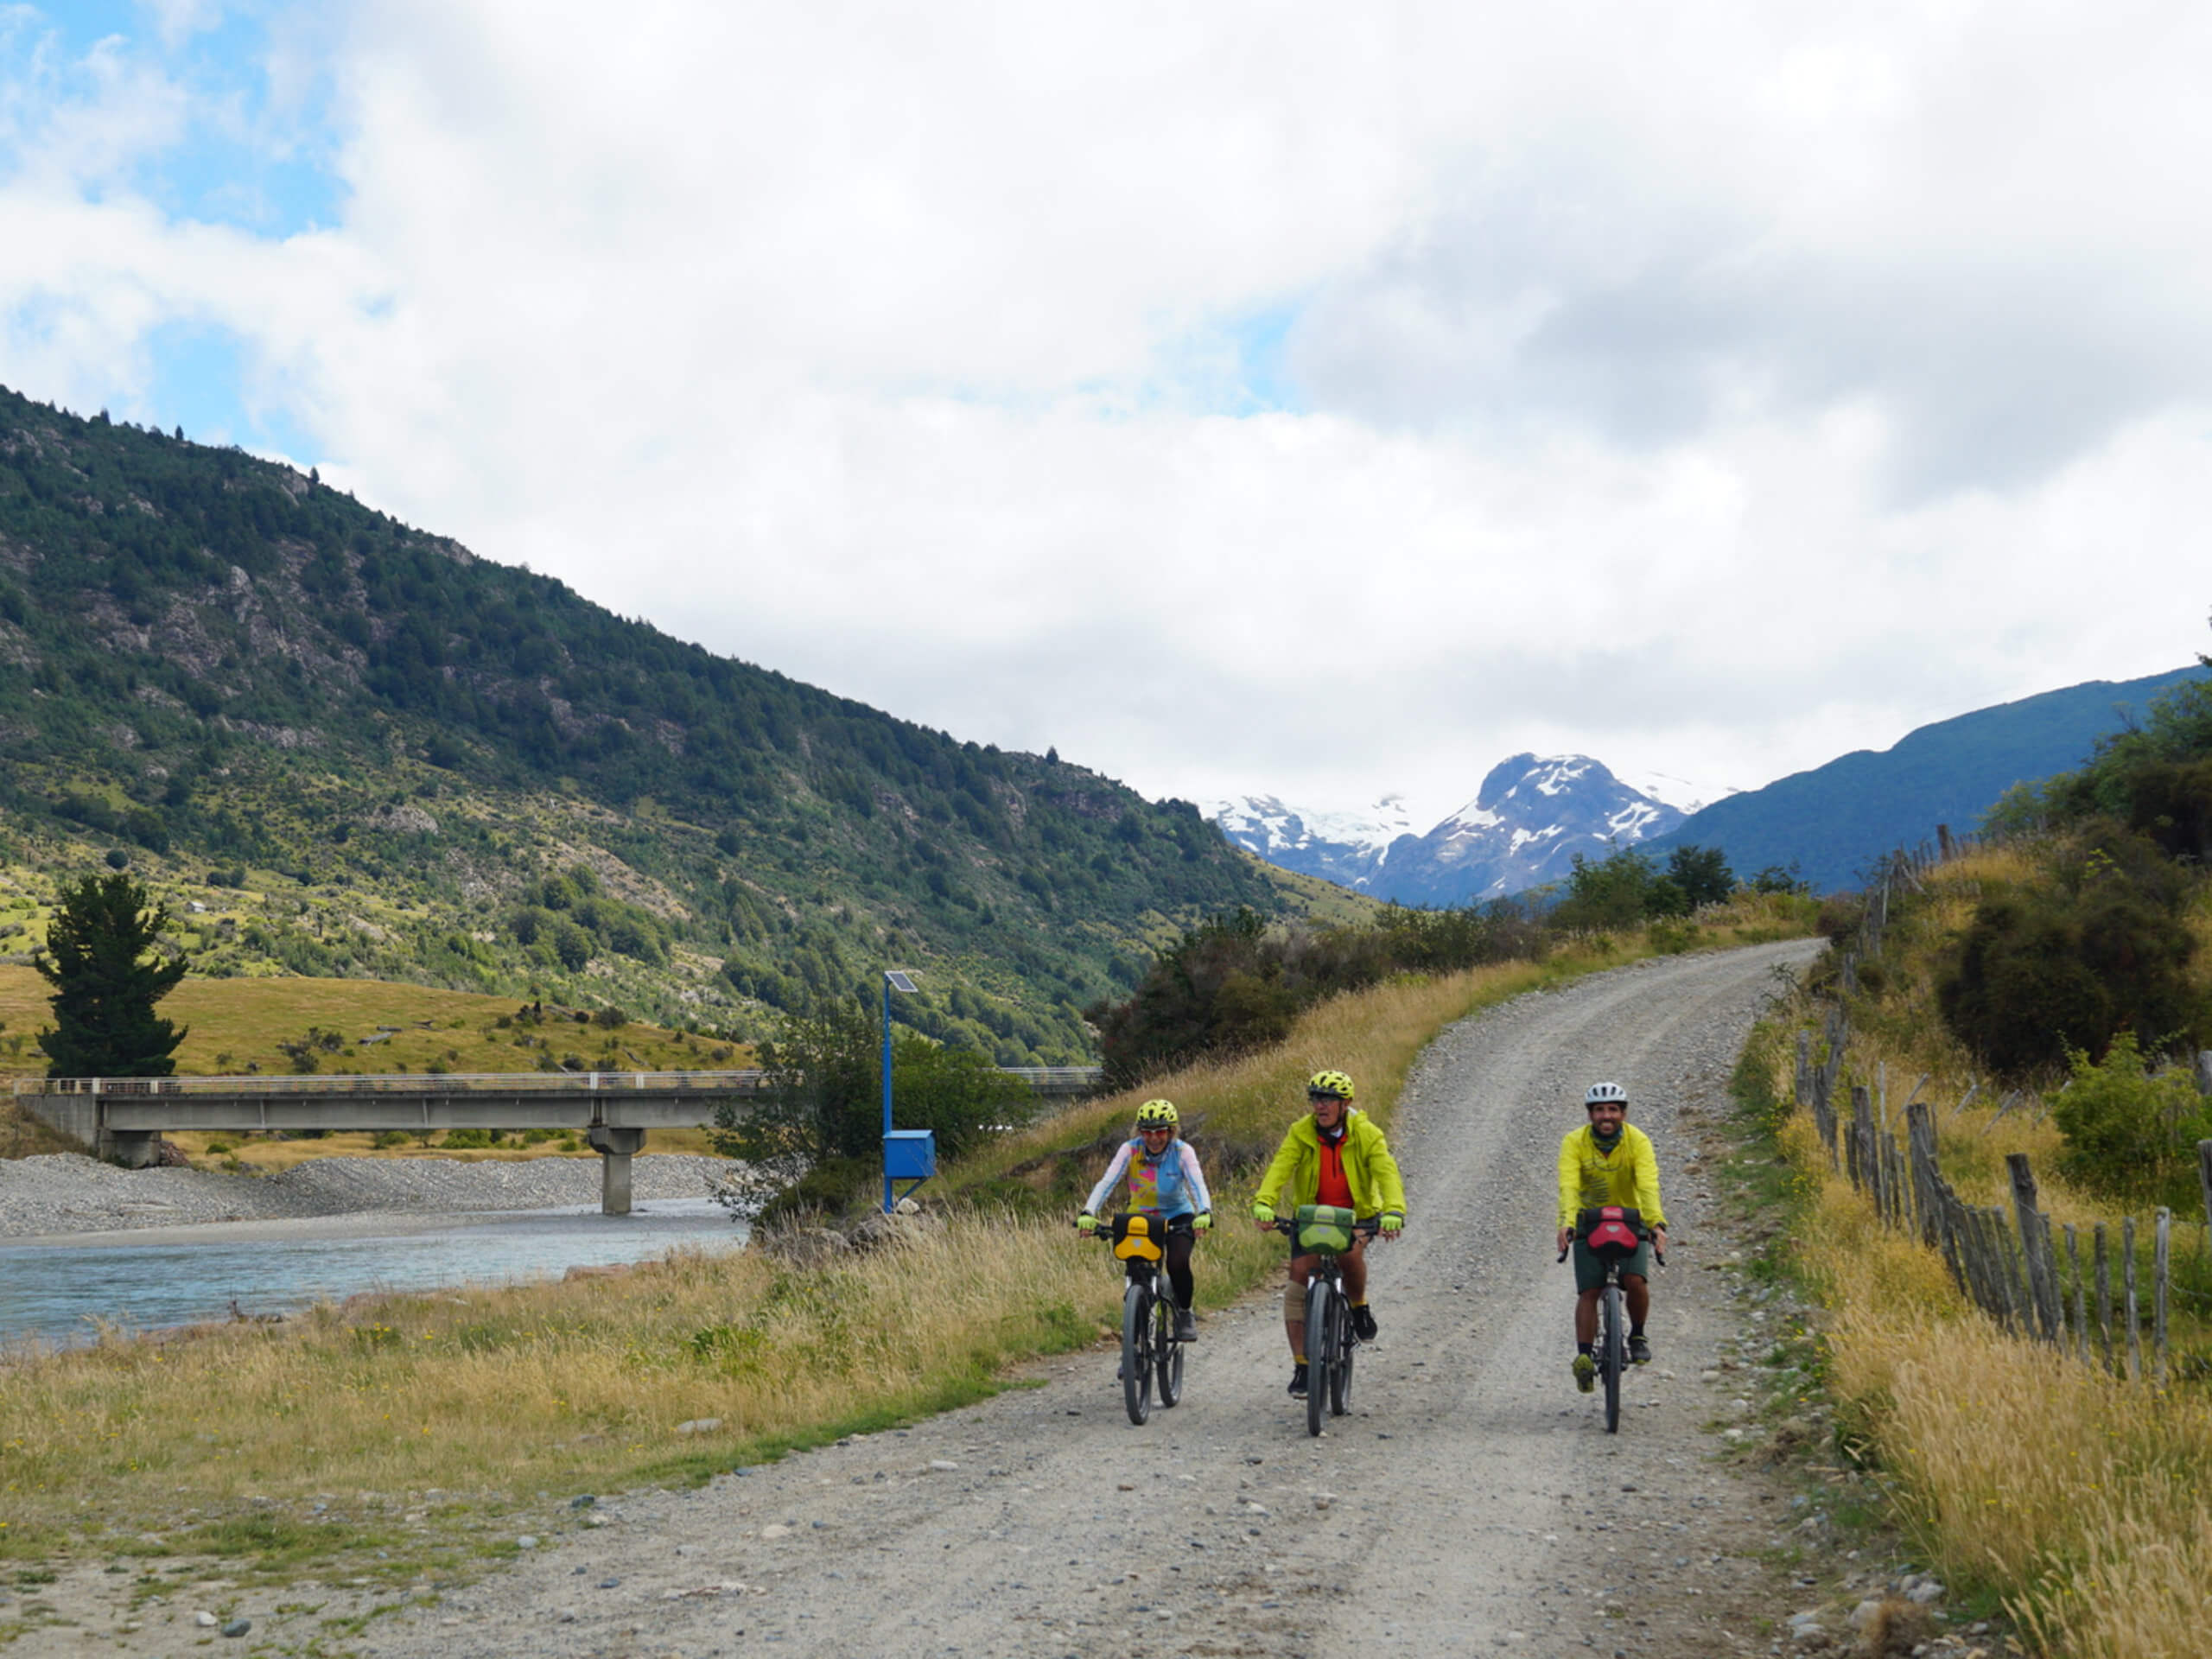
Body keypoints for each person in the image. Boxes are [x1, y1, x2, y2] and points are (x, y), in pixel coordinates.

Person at [1252, 1070, 1407, 1398]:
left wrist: (1394, 1211)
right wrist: (1263, 1203)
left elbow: (1386, 1172)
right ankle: (1303, 1365)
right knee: (1297, 1279)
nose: (1320, 1106)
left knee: (1349, 1255)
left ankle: (1359, 1306)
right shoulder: (1301, 1132)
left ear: (1345, 1103)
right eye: (1315, 1099)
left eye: (1328, 1100)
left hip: (1357, 1214)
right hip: (1311, 1216)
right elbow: (1280, 1167)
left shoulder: (1367, 1133)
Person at [1555, 1080, 1669, 1390]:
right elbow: (1569, 1185)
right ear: (1590, 1114)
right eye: (1600, 1110)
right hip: (1588, 1222)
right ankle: (1584, 1358)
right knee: (1589, 1292)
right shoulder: (1574, 1142)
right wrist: (1567, 1223)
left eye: (1614, 1110)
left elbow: (1647, 1184)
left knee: (1635, 1281)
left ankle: (1638, 1334)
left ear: (1624, 1113)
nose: (1607, 1116)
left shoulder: (1638, 1141)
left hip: (1630, 1220)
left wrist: (1655, 1223)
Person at [1077, 1099, 1213, 1340]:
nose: (1153, 1138)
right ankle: (1133, 1347)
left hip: (1177, 1215)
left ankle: (1184, 1311)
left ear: (1171, 1131)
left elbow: (1197, 1184)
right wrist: (1088, 1213)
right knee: (1135, 1275)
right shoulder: (1130, 1150)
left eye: (1160, 1131)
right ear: (1139, 1132)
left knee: (1178, 1263)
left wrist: (1204, 1213)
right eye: (1147, 1132)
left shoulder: (1183, 1151)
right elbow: (1107, 1182)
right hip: (1140, 1216)